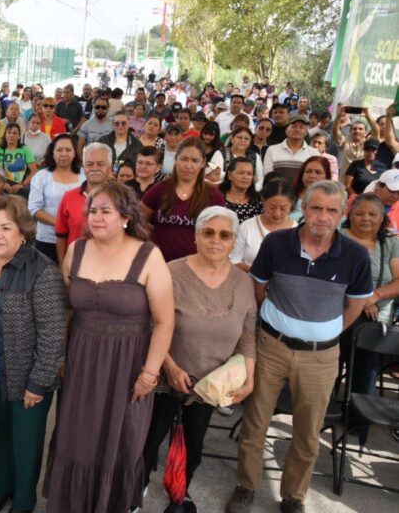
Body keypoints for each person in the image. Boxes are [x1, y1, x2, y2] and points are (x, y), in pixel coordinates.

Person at [225, 180, 372, 513]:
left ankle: (293, 496)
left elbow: (355, 304)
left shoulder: (355, 255)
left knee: (307, 433)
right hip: (272, 347)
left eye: (331, 210)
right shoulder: (277, 243)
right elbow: (258, 290)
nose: (322, 216)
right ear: (303, 209)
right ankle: (246, 487)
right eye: (316, 208)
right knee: (255, 422)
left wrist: (325, 333)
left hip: (321, 357)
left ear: (342, 214)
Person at [44, 181, 174, 513]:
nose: (97, 217)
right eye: (92, 211)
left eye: (106, 211)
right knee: (77, 436)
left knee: (123, 439)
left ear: (127, 216)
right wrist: (60, 353)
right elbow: (66, 307)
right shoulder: (77, 249)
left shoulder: (149, 256)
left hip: (128, 364)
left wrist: (150, 373)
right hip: (82, 359)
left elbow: (164, 322)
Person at [142, 206, 256, 512]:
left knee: (193, 447)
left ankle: (180, 491)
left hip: (209, 384)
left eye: (224, 235)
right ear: (196, 237)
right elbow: (151, 324)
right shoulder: (171, 271)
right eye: (208, 232)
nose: (215, 240)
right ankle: (134, 492)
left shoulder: (243, 283)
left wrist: (249, 376)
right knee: (147, 442)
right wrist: (171, 366)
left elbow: (248, 334)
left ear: (233, 241)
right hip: (166, 379)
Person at [0, 196, 66, 513]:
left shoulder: (43, 271)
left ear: (23, 232)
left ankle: (23, 502)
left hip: (27, 377)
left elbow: (53, 334)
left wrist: (38, 383)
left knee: (25, 444)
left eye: (6, 228)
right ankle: (2, 490)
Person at [339, 193, 399, 445]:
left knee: (366, 361)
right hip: (338, 308)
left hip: (374, 315)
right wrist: (360, 300)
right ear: (350, 214)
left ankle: (357, 419)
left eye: (372, 214)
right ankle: (324, 408)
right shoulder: (338, 237)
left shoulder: (390, 243)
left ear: (381, 218)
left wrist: (373, 296)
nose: (365, 219)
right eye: (359, 213)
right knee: (331, 359)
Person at [141, 137, 226, 261]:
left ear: (203, 163)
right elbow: (139, 218)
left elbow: (223, 229)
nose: (188, 165)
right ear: (176, 159)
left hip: (197, 267)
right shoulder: (160, 189)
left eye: (195, 160)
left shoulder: (213, 195)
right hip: (159, 263)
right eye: (184, 159)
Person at [55, 142, 114, 265]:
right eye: (89, 164)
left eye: (100, 164)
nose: (94, 168)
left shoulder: (121, 199)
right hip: (76, 266)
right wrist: (62, 265)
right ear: (83, 167)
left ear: (110, 167)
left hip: (111, 266)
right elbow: (61, 236)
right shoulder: (68, 197)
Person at [28, 134, 83, 262]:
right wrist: (60, 223)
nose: (64, 154)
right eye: (59, 150)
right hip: (47, 239)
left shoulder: (84, 175)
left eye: (68, 150)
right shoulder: (41, 176)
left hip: (79, 238)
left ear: (75, 152)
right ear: (52, 153)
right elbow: (34, 208)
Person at [230, 179, 297, 272]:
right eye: (272, 207)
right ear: (263, 201)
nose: (277, 214)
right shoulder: (247, 226)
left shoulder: (297, 231)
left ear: (292, 204)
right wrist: (258, 273)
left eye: (283, 208)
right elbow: (234, 259)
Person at [263, 115, 320, 186]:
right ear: (286, 130)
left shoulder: (314, 153)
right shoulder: (272, 150)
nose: (297, 129)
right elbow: (267, 176)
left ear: (305, 132)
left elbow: (316, 179)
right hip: (278, 194)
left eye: (301, 127)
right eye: (293, 126)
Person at [0, 123, 36, 195]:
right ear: (5, 135)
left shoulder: (24, 149)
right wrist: (3, 184)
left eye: (14, 133)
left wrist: (22, 185)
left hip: (20, 187)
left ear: (19, 136)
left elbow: (34, 170)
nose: (11, 135)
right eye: (9, 132)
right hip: (2, 186)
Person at [289, 156, 331, 223]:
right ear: (302, 175)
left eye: (318, 172)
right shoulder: (289, 196)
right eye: (308, 171)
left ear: (326, 177)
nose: (312, 176)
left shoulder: (333, 200)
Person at [221, 157, 263, 223]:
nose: (245, 177)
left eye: (249, 174)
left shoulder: (259, 201)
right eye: (241, 173)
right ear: (229, 175)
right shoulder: (217, 197)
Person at [225, 126, 264, 190]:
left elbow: (260, 180)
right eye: (239, 137)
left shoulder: (255, 156)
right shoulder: (221, 153)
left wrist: (249, 191)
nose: (243, 140)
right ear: (232, 139)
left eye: (246, 139)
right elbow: (214, 175)